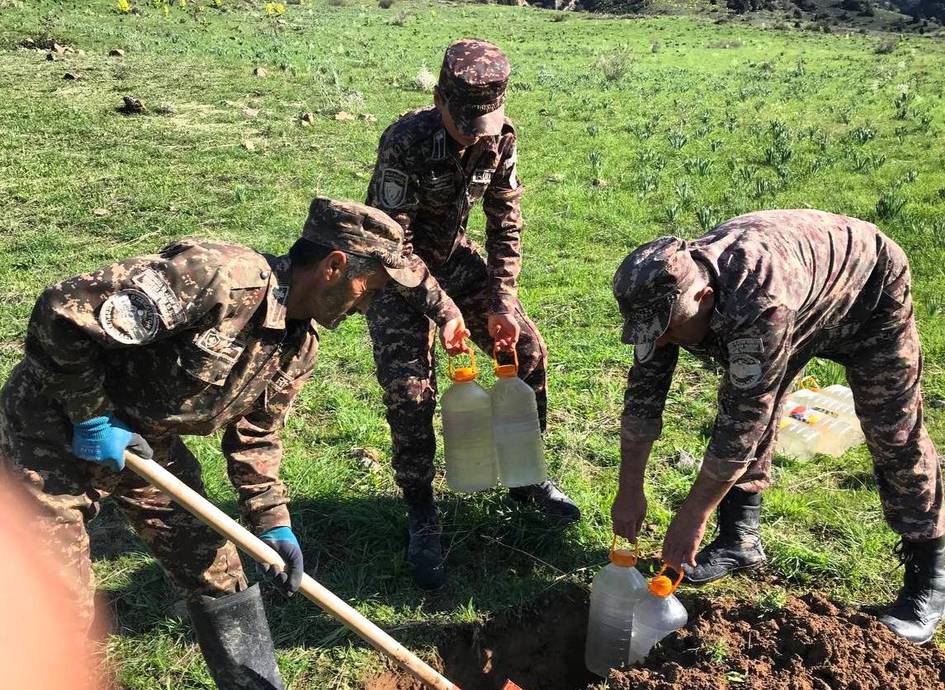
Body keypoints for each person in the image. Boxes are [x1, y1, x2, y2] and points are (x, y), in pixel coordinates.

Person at [0, 198, 423, 689]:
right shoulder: (219, 279)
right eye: (371, 287)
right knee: (60, 604)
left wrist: (273, 522)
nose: (367, 305)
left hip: (145, 446)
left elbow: (256, 435)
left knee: (217, 570)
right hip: (48, 431)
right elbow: (63, 312)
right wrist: (91, 417)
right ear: (334, 267)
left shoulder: (298, 348)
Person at [611, 209, 944, 644]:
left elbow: (742, 425)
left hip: (868, 294)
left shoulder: (760, 304)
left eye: (668, 330)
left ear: (704, 296)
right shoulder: (659, 305)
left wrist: (692, 516)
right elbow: (643, 397)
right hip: (802, 292)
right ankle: (739, 540)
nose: (659, 341)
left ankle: (930, 581)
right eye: (648, 332)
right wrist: (629, 489)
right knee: (747, 399)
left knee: (893, 430)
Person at [365, 38, 580, 590]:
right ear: (439, 99)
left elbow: (505, 219)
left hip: (454, 260)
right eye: (466, 125)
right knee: (411, 393)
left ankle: (525, 475)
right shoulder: (405, 141)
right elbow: (394, 248)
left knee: (526, 351)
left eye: (485, 124)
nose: (476, 135)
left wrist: (501, 301)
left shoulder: (499, 137)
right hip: (395, 274)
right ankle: (421, 512)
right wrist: (444, 313)